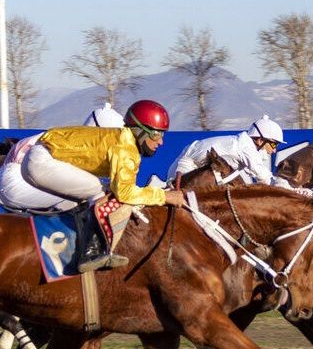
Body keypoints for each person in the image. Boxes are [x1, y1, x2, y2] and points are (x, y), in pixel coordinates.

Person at [21, 99, 185, 271]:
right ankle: (91, 253)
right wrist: (164, 196)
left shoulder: (124, 140)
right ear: (140, 132)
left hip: (40, 157)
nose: (161, 142)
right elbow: (125, 193)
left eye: (163, 135)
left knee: (103, 190)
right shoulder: (126, 149)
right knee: (99, 192)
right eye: (156, 134)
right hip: (41, 161)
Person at [0, 102, 126, 214]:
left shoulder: (70, 135)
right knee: (87, 195)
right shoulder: (79, 146)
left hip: (14, 178)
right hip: (17, 182)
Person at [167, 115, 292, 187]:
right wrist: (292, 191)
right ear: (259, 140)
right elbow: (265, 179)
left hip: (193, 164)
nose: (275, 150)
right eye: (274, 144)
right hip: (187, 168)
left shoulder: (245, 144)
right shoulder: (246, 148)